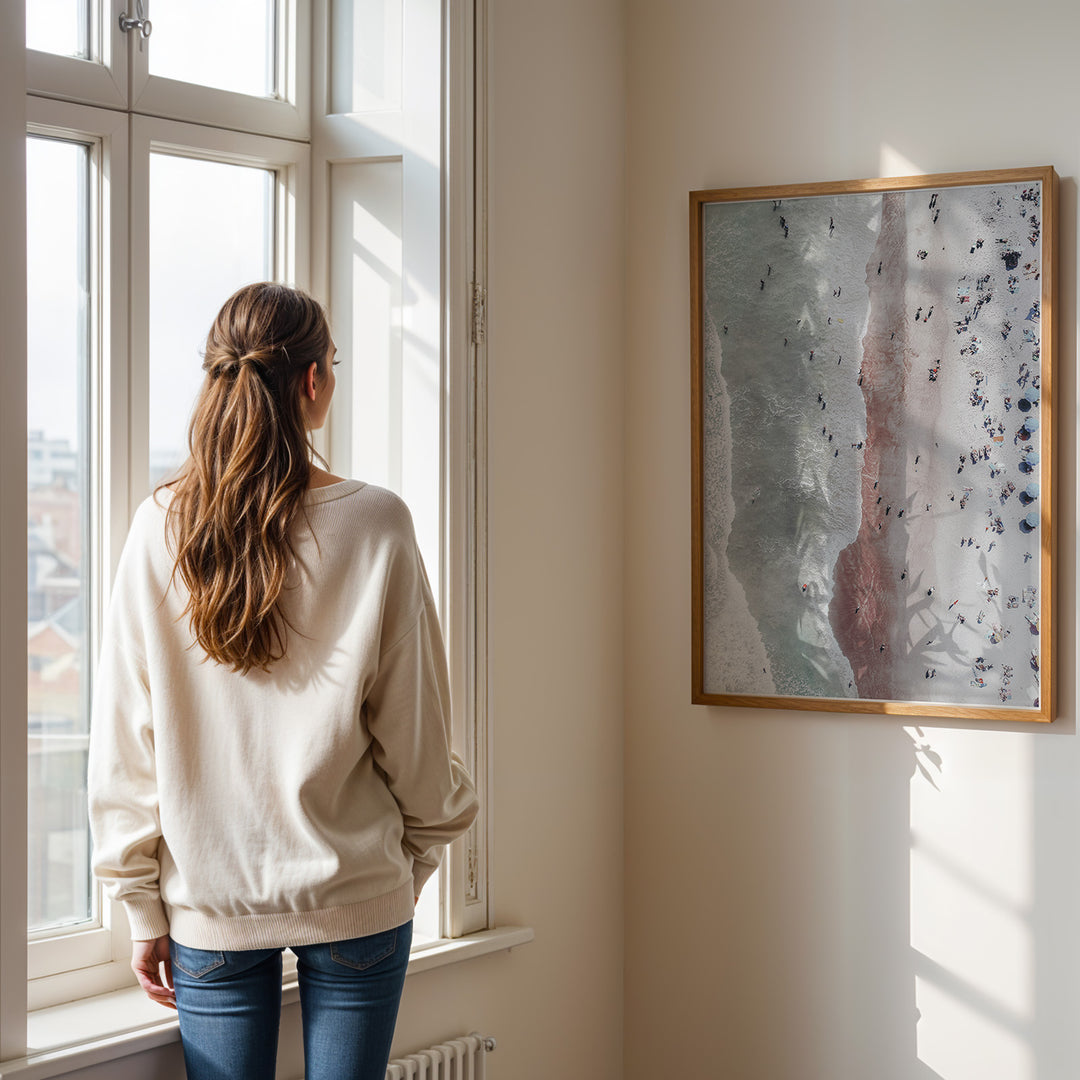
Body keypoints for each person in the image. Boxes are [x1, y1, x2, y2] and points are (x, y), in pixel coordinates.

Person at [87, 282, 479, 1080]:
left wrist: (140, 905)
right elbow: (415, 724)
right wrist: (423, 853)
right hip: (359, 891)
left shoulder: (159, 525)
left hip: (209, 904)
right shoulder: (375, 523)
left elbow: (126, 733)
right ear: (311, 382)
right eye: (332, 364)